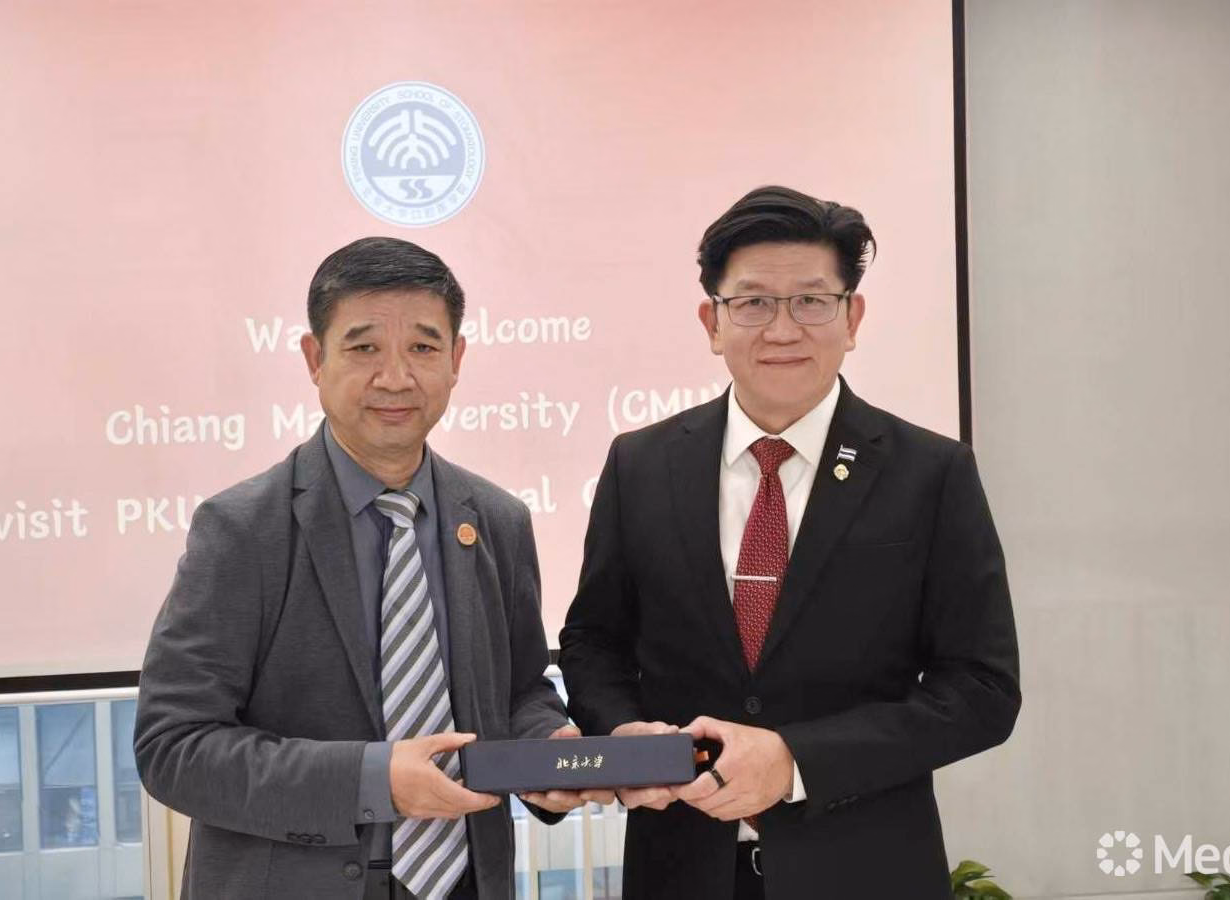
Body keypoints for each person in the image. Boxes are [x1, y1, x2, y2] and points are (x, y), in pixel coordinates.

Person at [557, 186, 1021, 898]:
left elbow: (982, 689)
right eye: (753, 303)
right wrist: (624, 736)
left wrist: (795, 760)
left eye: (811, 301)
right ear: (713, 321)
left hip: (865, 872)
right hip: (681, 868)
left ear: (852, 317)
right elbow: (594, 642)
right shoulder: (640, 464)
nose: (782, 330)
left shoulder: (931, 472)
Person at [136, 237, 599, 900]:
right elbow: (174, 747)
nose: (396, 377)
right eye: (364, 348)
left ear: (456, 360)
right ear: (314, 359)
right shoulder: (242, 529)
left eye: (423, 347)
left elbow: (520, 690)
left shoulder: (498, 519)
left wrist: (546, 745)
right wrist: (373, 779)